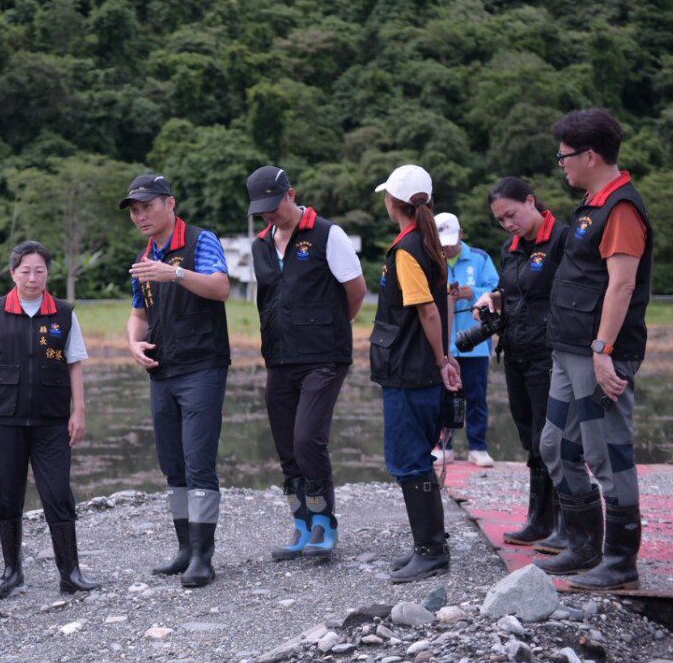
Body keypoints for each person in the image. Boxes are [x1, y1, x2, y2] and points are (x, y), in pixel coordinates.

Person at [536, 109, 653, 591]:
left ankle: (620, 560)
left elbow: (622, 286)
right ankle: (583, 544)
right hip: (569, 350)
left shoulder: (621, 208)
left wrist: (604, 350)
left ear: (590, 155)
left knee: (608, 454)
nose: (559, 163)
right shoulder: (590, 203)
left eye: (564, 155)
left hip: (597, 353)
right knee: (554, 445)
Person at [246, 166, 366, 560]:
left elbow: (356, 289)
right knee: (286, 447)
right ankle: (300, 525)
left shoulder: (327, 234)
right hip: (279, 358)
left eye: (274, 205)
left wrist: (330, 328)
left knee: (307, 439)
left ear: (291, 194)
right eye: (261, 210)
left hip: (324, 357)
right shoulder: (261, 244)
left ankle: (324, 523)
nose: (269, 215)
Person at [0, 241, 98, 598]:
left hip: (51, 420)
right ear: (12, 274)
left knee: (57, 493)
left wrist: (79, 411)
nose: (33, 277)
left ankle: (70, 572)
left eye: (40, 270)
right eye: (25, 270)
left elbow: (74, 363)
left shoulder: (64, 313)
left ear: (47, 274)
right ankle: (12, 572)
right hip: (2, 419)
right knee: (6, 496)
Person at [123, 174, 231, 588]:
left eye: (146, 206)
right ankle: (185, 548)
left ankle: (204, 555)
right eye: (134, 210)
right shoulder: (144, 255)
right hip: (162, 370)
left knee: (199, 463)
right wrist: (133, 343)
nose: (140, 215)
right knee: (172, 463)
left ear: (170, 204)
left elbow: (221, 288)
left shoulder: (202, 241)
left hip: (203, 367)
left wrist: (175, 274)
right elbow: (139, 313)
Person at [369, 165, 462, 584]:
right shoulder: (429, 243)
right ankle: (431, 544)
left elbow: (426, 309)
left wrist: (442, 359)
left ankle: (431, 551)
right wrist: (443, 359)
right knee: (418, 459)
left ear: (394, 203)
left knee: (409, 461)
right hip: (420, 369)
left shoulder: (407, 249)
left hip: (410, 371)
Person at [473, 178, 569, 551]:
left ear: (530, 202)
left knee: (553, 439)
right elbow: (510, 289)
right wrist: (491, 298)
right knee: (529, 436)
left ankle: (566, 522)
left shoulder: (561, 239)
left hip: (550, 352)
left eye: (511, 214)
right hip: (515, 350)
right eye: (500, 220)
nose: (508, 224)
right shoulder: (510, 248)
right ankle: (539, 519)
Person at [434, 213, 500, 468]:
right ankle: (443, 446)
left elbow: (497, 291)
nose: (447, 247)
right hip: (443, 341)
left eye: (451, 240)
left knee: (476, 396)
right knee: (444, 396)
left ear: (461, 234)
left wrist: (475, 293)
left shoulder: (480, 258)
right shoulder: (432, 258)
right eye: (443, 242)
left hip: (476, 342)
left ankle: (478, 447)